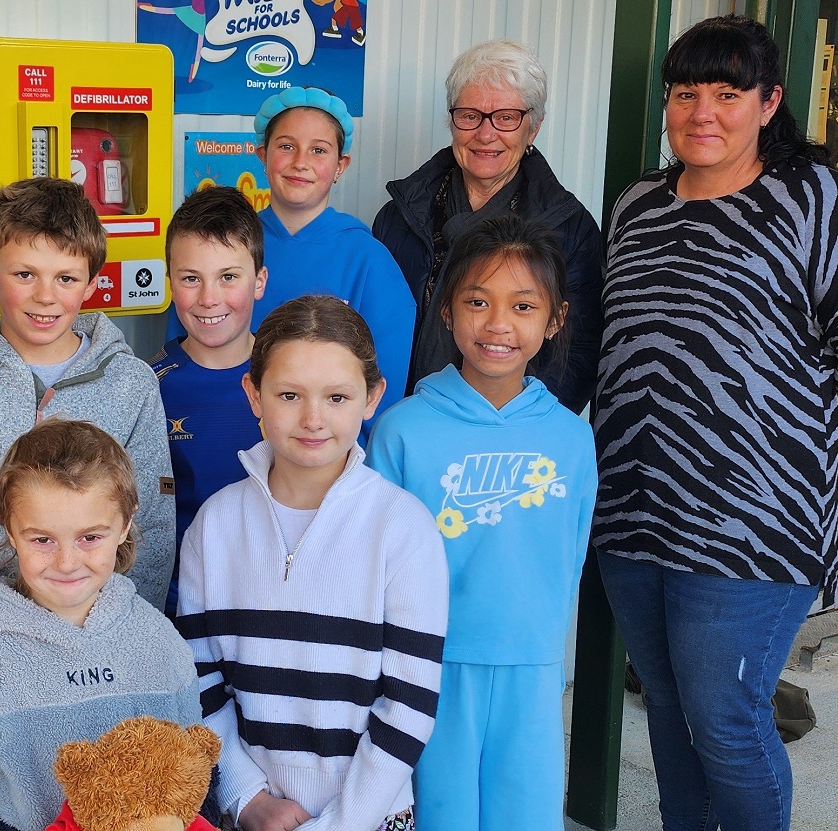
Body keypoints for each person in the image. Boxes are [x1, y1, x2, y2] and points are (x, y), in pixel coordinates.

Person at [594, 15, 838, 831]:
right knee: (666, 709)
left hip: (751, 530)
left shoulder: (818, 203)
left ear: (770, 102)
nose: (703, 111)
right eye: (686, 92)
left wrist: (771, 454)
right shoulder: (638, 202)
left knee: (728, 721)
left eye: (728, 93)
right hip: (635, 512)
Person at [177, 295, 448, 831]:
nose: (312, 418)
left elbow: (408, 706)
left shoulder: (404, 528)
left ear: (372, 398)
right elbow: (198, 682)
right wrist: (246, 797)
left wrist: (341, 825)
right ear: (253, 395)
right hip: (249, 813)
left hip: (371, 818)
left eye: (337, 397)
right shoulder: (214, 526)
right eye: (288, 394)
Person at [368, 215, 596, 831]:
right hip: (429, 667)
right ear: (446, 312)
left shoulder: (572, 440)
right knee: (439, 814)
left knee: (527, 814)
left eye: (523, 306)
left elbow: (568, 556)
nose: (498, 324)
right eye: (477, 301)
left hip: (533, 662)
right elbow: (378, 561)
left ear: (554, 321)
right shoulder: (403, 431)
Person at [0, 419, 206, 831]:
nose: (67, 562)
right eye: (42, 539)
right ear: (8, 527)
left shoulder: (160, 642)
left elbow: (198, 778)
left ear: (125, 523)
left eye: (90, 537)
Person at [0, 177, 175, 612]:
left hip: (102, 636)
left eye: (65, 278)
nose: (45, 296)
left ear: (90, 285)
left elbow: (152, 525)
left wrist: (119, 627)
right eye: (24, 274)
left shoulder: (132, 384)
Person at [167, 87, 415, 436]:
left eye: (318, 150)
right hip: (211, 435)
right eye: (286, 146)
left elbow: (381, 402)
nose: (301, 162)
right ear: (262, 155)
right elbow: (183, 351)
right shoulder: (224, 244)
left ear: (341, 164)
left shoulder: (369, 261)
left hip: (323, 455)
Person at [373, 39, 601, 412]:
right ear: (452, 120)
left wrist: (516, 429)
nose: (486, 133)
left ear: (534, 127)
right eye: (469, 115)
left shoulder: (568, 228)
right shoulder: (399, 217)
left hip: (507, 433)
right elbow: (371, 331)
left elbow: (577, 351)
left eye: (506, 117)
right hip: (400, 418)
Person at [149, 186, 267, 614]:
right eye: (190, 278)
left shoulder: (290, 382)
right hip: (176, 610)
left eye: (228, 277)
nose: (209, 298)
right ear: (170, 283)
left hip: (271, 606)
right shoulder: (149, 388)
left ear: (260, 281)